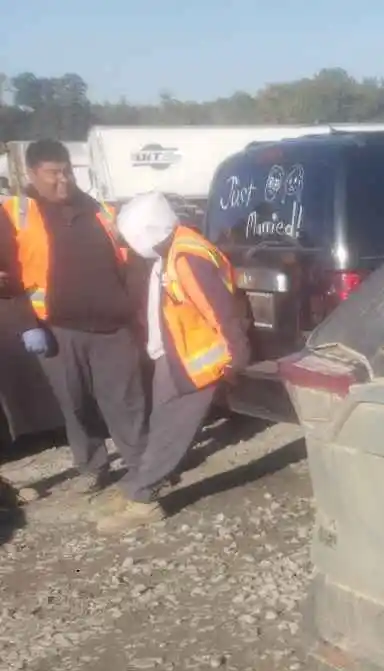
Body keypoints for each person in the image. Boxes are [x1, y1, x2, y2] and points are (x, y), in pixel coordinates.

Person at [0, 139, 147, 498]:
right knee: (74, 404)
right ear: (33, 173)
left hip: (113, 327)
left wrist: (131, 307)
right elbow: (6, 278)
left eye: (66, 171)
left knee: (127, 401)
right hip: (57, 330)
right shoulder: (16, 213)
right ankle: (92, 466)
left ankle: (144, 467)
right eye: (53, 173)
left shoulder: (99, 210)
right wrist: (27, 325)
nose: (62, 180)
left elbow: (129, 260)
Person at [96, 192, 249, 533]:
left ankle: (143, 501)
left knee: (171, 432)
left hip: (198, 361)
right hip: (176, 354)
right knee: (161, 422)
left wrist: (237, 357)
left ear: (144, 233)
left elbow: (220, 310)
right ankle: (137, 486)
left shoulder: (187, 257)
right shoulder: (174, 248)